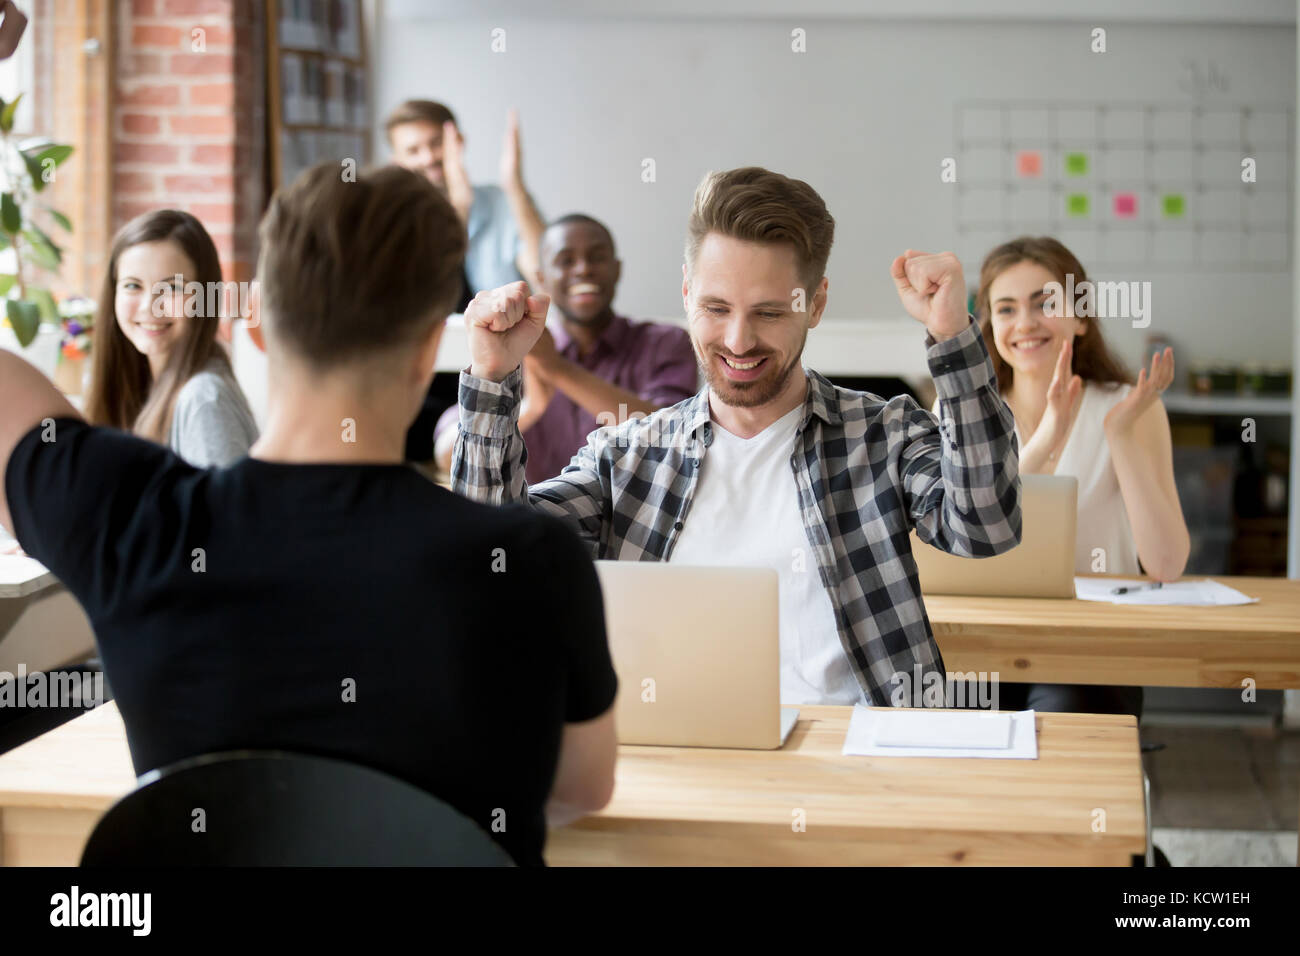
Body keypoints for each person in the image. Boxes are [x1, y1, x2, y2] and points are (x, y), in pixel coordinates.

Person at [0, 163, 616, 866]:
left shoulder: (129, 517)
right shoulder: (534, 559)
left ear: (255, 325)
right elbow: (583, 788)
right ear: (426, 354)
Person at [451, 166, 1022, 709]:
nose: (738, 340)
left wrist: (952, 338)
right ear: (686, 297)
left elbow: (987, 529)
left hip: (862, 762)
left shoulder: (885, 435)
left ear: (815, 303)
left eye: (769, 312)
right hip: (685, 759)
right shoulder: (627, 459)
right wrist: (492, 378)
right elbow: (492, 562)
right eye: (716, 308)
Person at [974, 235, 1190, 716]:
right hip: (984, 638)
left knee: (1061, 719)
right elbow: (959, 538)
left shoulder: (1127, 408)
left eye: (1044, 303)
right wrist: (1048, 437)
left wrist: (1121, 436)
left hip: (1091, 645)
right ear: (990, 325)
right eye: (1006, 309)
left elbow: (1167, 563)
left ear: (1081, 316)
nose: (1025, 323)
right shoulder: (965, 412)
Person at [434, 214, 697, 482]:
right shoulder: (514, 352)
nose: (583, 269)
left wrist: (557, 368)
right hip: (535, 521)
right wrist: (530, 408)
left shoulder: (665, 342)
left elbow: (670, 436)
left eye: (597, 257)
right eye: (565, 260)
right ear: (542, 278)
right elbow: (447, 452)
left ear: (617, 270)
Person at [386, 99, 546, 461]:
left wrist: (515, 187)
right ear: (398, 161)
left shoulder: (505, 202)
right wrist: (459, 206)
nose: (429, 157)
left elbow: (546, 274)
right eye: (414, 150)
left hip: (507, 373)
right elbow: (426, 291)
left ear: (458, 142)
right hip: (426, 379)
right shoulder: (395, 219)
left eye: (435, 143)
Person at [84, 210, 258, 468]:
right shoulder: (139, 385)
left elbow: (225, 509)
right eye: (133, 286)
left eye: (172, 288)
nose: (150, 307)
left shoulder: (204, 400)